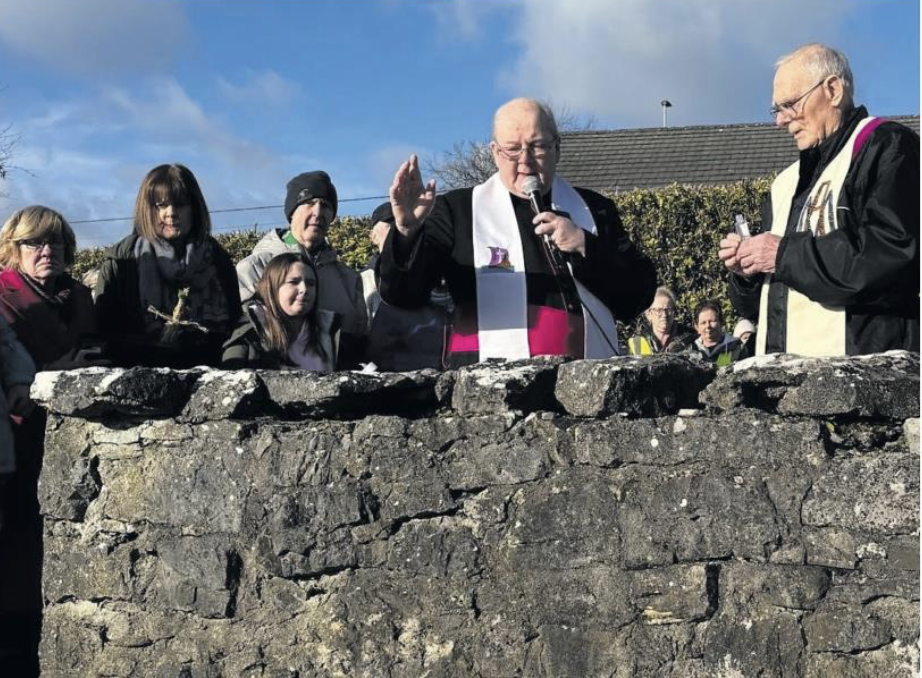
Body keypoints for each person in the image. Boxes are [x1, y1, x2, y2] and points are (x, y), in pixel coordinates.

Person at [378, 98, 656, 367]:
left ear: (557, 147)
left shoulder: (596, 209)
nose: (525, 162)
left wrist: (585, 245)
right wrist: (406, 231)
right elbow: (403, 295)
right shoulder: (457, 210)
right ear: (494, 152)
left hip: (585, 387)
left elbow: (636, 297)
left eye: (537, 147)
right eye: (512, 149)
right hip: (491, 393)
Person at [718, 43, 919, 356]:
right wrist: (747, 275)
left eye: (791, 104)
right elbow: (763, 307)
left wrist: (780, 254)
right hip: (786, 386)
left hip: (863, 383)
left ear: (834, 90)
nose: (780, 121)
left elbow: (891, 255)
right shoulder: (784, 183)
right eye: (776, 109)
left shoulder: (889, 146)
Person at [95, 164, 242, 368]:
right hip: (138, 376)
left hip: (210, 375)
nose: (170, 213)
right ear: (145, 209)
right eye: (160, 205)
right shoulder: (121, 261)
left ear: (195, 208)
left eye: (180, 204)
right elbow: (105, 332)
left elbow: (235, 327)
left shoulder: (218, 259)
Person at [235, 171, 366, 365]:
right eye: (309, 203)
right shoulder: (254, 268)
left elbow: (359, 342)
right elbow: (241, 337)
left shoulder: (349, 279)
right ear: (291, 212)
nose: (318, 212)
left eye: (326, 205)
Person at [0, 206, 101, 369]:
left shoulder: (81, 295)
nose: (47, 251)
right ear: (14, 249)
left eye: (55, 241)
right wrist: (49, 370)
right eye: (34, 242)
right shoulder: (2, 294)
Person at [360, 202, 451, 371]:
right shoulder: (363, 281)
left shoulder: (434, 277)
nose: (399, 228)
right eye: (390, 223)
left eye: (403, 223)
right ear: (372, 236)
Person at [222, 253, 338, 371]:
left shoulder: (331, 332)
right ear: (272, 287)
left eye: (311, 283)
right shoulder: (247, 336)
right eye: (293, 282)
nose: (304, 289)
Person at [626, 286, 696, 355]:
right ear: (649, 314)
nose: (664, 315)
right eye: (659, 310)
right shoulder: (637, 342)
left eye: (668, 310)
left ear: (674, 312)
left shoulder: (689, 337)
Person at [689, 301, 745, 366]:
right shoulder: (691, 349)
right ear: (696, 327)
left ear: (721, 322)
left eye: (712, 321)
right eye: (703, 323)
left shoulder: (736, 347)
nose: (708, 326)